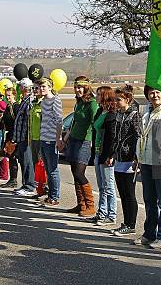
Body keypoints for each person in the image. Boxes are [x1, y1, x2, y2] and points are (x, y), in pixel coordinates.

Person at [133, 85, 161, 249]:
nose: (154, 95)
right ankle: (149, 233)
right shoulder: (147, 113)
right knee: (149, 200)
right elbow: (142, 137)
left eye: (157, 92)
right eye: (151, 93)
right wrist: (137, 158)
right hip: (146, 162)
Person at [60, 76, 99, 217]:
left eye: (80, 87)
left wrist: (96, 142)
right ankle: (81, 204)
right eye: (76, 87)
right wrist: (64, 139)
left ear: (86, 87)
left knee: (79, 173)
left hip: (85, 141)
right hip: (73, 140)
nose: (77, 90)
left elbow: (96, 124)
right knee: (74, 172)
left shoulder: (92, 103)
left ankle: (90, 206)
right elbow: (73, 124)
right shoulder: (79, 103)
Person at [106, 86, 141, 236]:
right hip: (119, 158)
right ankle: (126, 222)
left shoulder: (134, 115)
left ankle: (131, 223)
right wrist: (112, 154)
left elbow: (139, 137)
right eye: (115, 99)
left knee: (129, 193)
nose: (116, 102)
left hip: (129, 160)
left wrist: (137, 158)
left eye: (118, 100)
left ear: (127, 99)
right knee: (122, 193)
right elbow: (116, 138)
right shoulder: (118, 115)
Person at [89, 86, 118, 226]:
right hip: (97, 152)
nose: (96, 96)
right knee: (101, 186)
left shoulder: (112, 114)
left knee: (108, 186)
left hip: (106, 155)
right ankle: (101, 213)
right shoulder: (100, 111)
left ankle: (111, 215)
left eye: (99, 94)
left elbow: (112, 137)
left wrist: (110, 155)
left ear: (106, 96)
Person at [37, 78, 63, 206]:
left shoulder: (55, 100)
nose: (41, 89)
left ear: (50, 87)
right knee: (47, 169)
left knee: (53, 169)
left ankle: (55, 196)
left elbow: (59, 121)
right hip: (43, 138)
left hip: (52, 139)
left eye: (44, 86)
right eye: (40, 86)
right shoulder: (43, 102)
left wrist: (58, 138)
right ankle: (50, 195)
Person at [12, 78, 38, 196]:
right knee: (22, 161)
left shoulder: (30, 101)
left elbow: (29, 120)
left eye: (20, 86)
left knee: (27, 161)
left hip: (26, 137)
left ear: (24, 87)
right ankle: (24, 184)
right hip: (21, 136)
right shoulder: (24, 100)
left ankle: (30, 186)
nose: (19, 88)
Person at [0, 87, 20, 188]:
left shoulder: (16, 107)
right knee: (10, 157)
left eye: (9, 95)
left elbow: (17, 123)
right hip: (8, 134)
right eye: (6, 95)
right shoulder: (8, 106)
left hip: (13, 135)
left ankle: (14, 180)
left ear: (14, 95)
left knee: (13, 157)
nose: (7, 97)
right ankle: (12, 179)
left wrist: (14, 138)